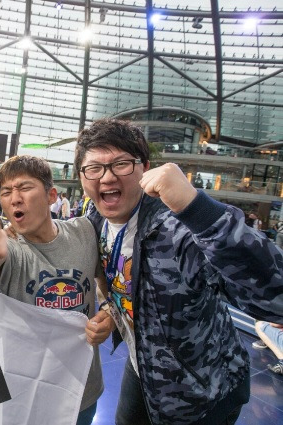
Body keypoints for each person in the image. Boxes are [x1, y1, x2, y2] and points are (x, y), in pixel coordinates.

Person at [74, 118, 283, 425]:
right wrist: (111, 309)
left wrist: (198, 209)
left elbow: (276, 297)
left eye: (121, 164)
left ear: (145, 168)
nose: (106, 177)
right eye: (94, 168)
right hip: (143, 365)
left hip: (202, 391)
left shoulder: (178, 230)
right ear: (81, 176)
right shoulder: (94, 219)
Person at [0, 155, 113, 425]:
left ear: (51, 196)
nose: (15, 199)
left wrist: (109, 314)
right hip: (25, 395)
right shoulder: (12, 249)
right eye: (6, 192)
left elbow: (106, 284)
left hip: (82, 390)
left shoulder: (84, 232)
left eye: (24, 187)